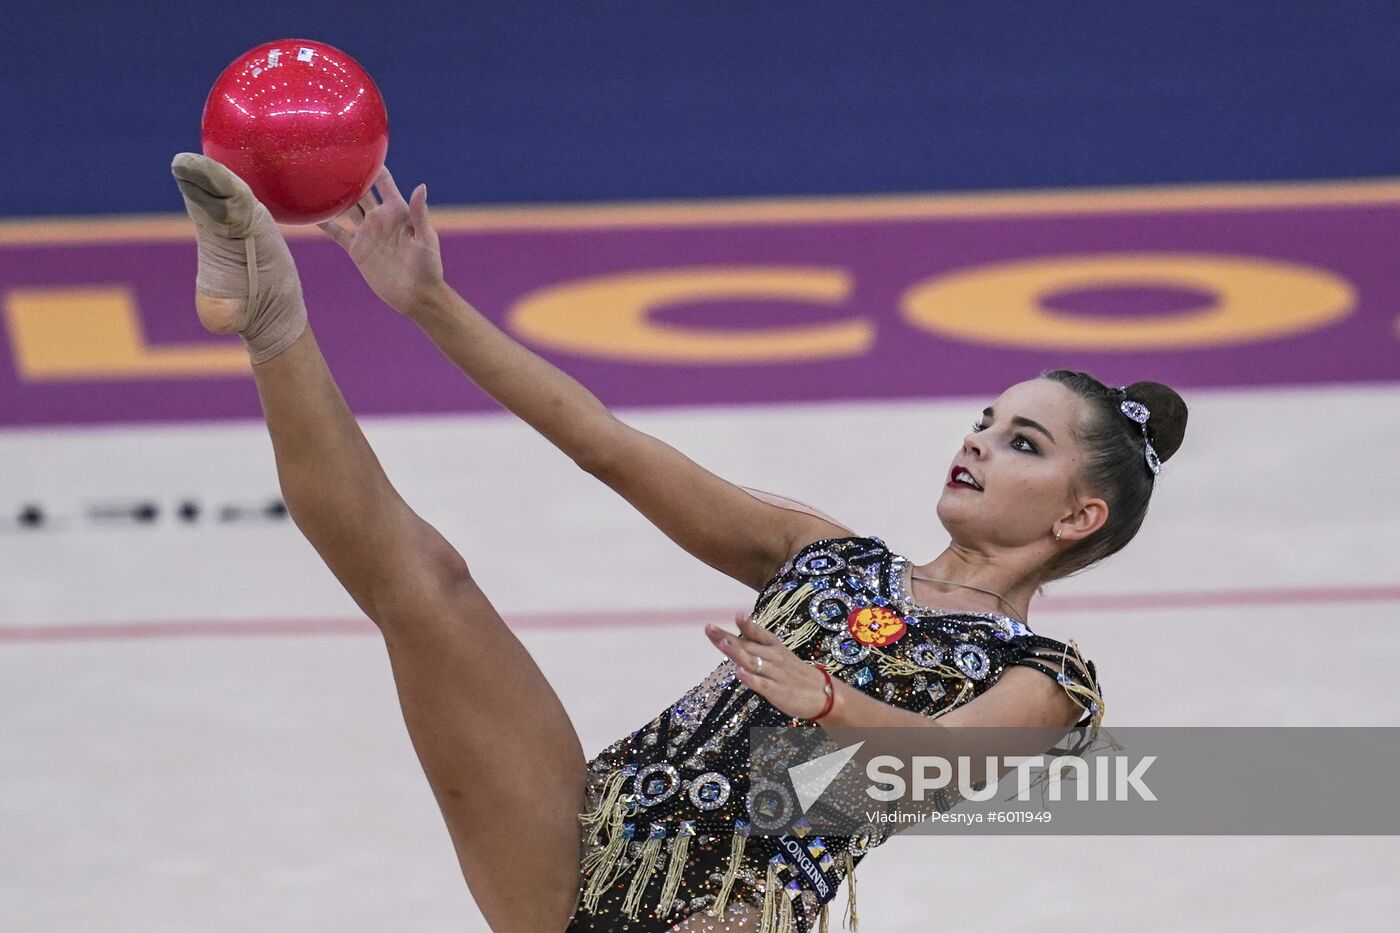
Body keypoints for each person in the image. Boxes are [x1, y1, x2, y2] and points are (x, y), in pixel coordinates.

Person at [169, 154, 1187, 933]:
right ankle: (270, 312)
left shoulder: (1043, 675)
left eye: (1020, 442)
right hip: (578, 837)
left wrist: (832, 703)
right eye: (984, 417)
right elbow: (604, 444)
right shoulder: (829, 557)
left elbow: (938, 764)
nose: (976, 440)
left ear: (1074, 518)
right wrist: (428, 301)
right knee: (424, 583)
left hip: (718, 913)